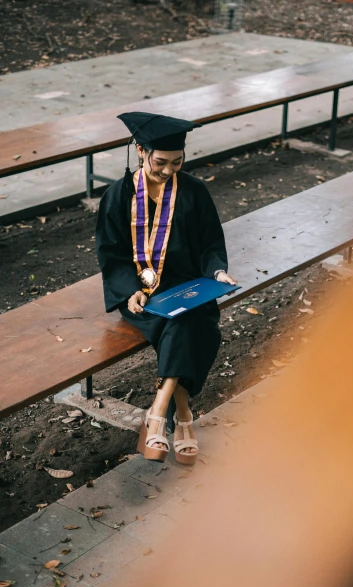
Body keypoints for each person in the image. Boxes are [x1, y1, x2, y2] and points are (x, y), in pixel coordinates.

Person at [96, 111, 237, 465]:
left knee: (190, 316)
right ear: (141, 151)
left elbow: (210, 243)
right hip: (140, 292)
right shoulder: (118, 196)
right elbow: (111, 254)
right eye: (161, 162)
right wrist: (130, 290)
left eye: (177, 162)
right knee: (188, 322)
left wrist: (217, 271)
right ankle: (183, 415)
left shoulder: (194, 191)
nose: (169, 170)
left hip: (188, 284)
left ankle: (158, 409)